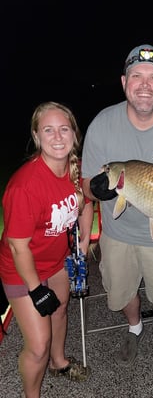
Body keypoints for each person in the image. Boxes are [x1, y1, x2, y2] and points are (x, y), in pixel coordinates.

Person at [81, 44, 153, 398]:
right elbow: (88, 184)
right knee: (122, 293)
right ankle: (134, 328)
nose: (144, 85)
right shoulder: (103, 123)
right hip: (117, 234)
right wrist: (97, 188)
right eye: (136, 77)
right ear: (123, 82)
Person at [0, 102, 93, 398]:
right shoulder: (25, 186)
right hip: (21, 270)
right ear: (37, 135)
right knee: (37, 345)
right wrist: (36, 289)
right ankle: (32, 394)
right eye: (48, 130)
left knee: (60, 310)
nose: (57, 136)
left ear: (74, 135)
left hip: (57, 261)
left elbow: (86, 201)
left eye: (64, 129)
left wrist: (83, 240)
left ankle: (59, 362)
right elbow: (17, 247)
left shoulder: (75, 170)